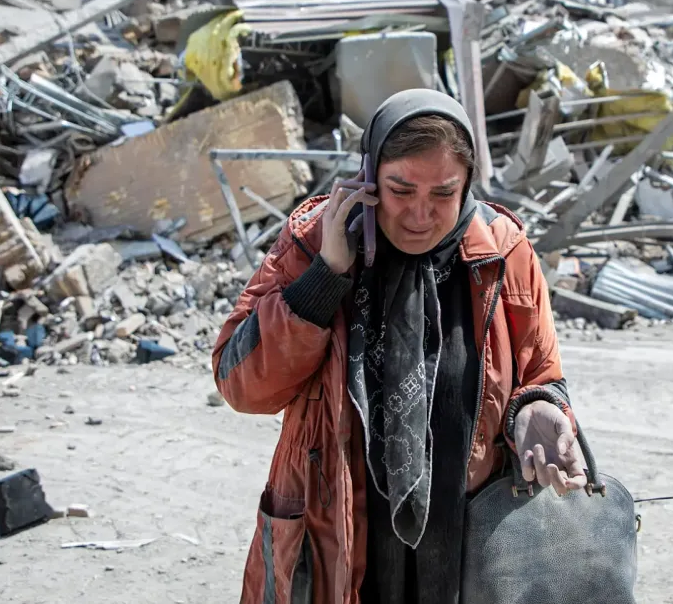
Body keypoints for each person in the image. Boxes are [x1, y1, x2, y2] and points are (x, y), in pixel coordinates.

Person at [211, 88, 585, 604]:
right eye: (400, 190)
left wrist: (538, 406)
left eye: (443, 193)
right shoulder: (314, 239)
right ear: (368, 177)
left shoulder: (503, 253)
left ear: (467, 185)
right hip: (337, 538)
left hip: (467, 545)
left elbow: (540, 373)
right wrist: (325, 277)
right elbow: (241, 386)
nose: (419, 215)